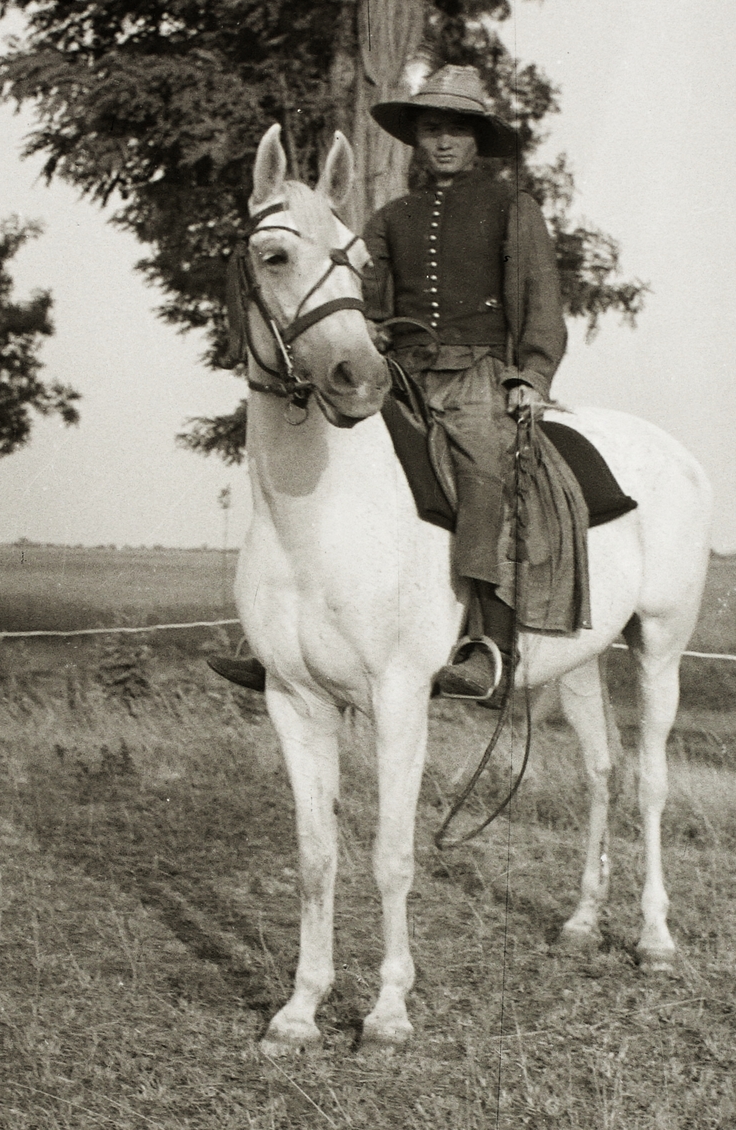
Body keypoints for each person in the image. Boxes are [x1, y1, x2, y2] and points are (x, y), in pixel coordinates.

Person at [209, 65, 567, 704]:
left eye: (457, 129)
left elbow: (541, 302)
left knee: (485, 470)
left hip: (480, 378)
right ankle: (291, 644)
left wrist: (531, 375)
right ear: (417, 139)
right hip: (401, 374)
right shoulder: (391, 217)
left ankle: (488, 644)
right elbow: (359, 294)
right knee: (330, 466)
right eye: (432, 129)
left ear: (478, 137)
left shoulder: (514, 210)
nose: (444, 141)